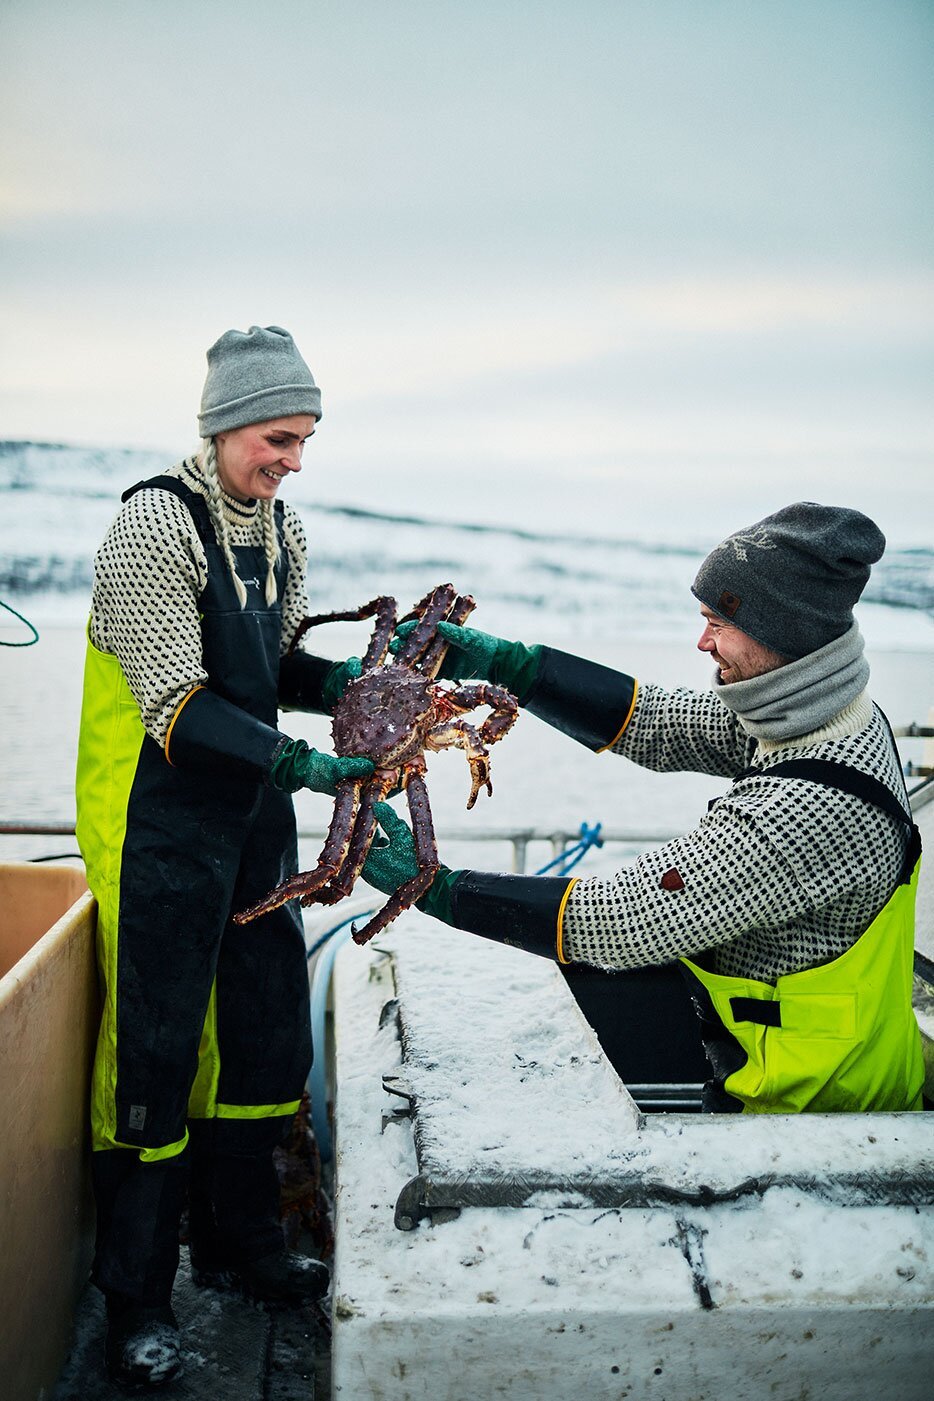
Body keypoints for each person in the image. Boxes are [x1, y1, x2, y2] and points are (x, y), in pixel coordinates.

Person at [363, 502, 924, 1118]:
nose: (702, 640)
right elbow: (658, 724)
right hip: (776, 1053)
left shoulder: (814, 806)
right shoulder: (817, 714)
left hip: (814, 1103)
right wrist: (512, 666)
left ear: (783, 633)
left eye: (718, 623)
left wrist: (437, 889)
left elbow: (628, 920)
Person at [75, 325, 373, 1388]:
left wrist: (343, 691)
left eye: (304, 440)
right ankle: (137, 1300)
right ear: (223, 424)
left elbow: (270, 661)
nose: (293, 459)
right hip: (154, 820)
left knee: (258, 1026)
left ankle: (242, 1247)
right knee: (153, 1055)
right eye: (279, 437)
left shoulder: (278, 530)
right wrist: (306, 763)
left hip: (247, 818)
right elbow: (175, 700)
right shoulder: (155, 526)